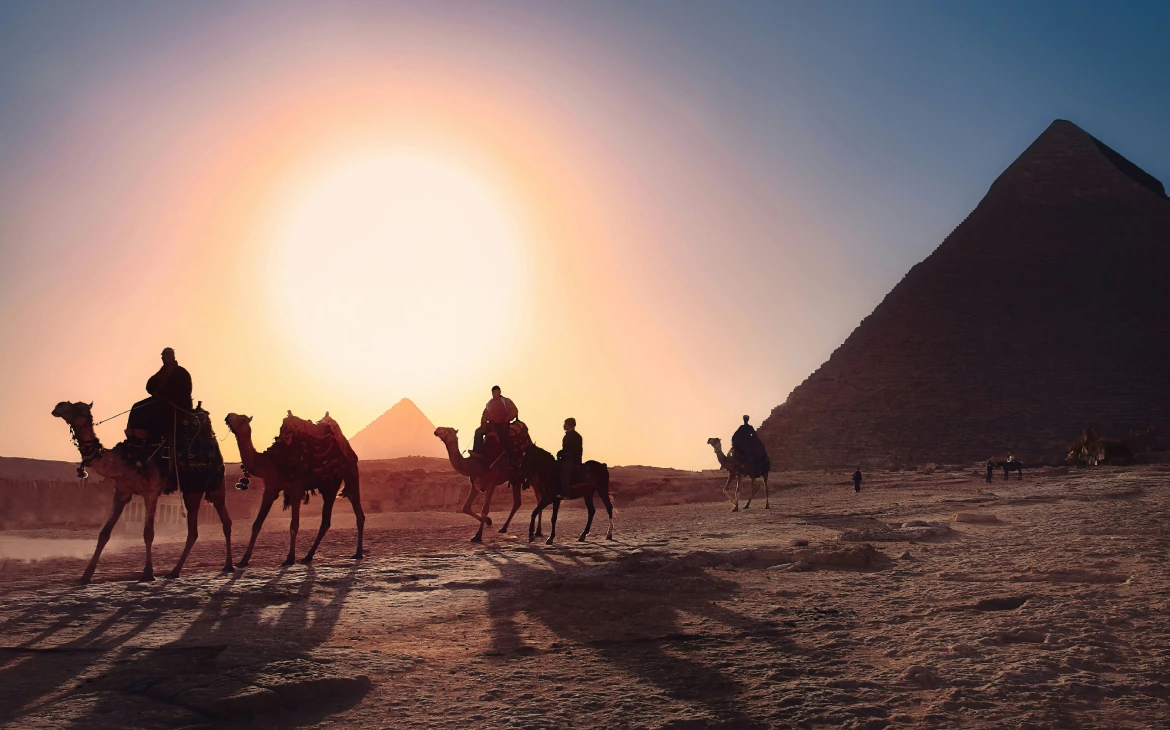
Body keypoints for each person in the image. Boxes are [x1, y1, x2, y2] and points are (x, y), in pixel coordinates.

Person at [480, 385, 519, 457]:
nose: (495, 394)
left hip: (502, 423)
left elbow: (514, 411)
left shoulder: (506, 401)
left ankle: (512, 457)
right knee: (478, 432)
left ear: (499, 392)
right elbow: (485, 415)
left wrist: (507, 419)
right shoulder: (489, 404)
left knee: (504, 438)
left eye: (496, 392)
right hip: (491, 424)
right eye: (494, 392)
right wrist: (483, 423)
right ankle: (478, 453)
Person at [559, 417, 582, 499]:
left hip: (572, 460)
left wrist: (565, 454)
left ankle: (565, 493)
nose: (564, 426)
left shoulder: (576, 436)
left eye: (565, 424)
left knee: (564, 470)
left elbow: (577, 450)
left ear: (570, 425)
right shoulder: (567, 435)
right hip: (565, 458)